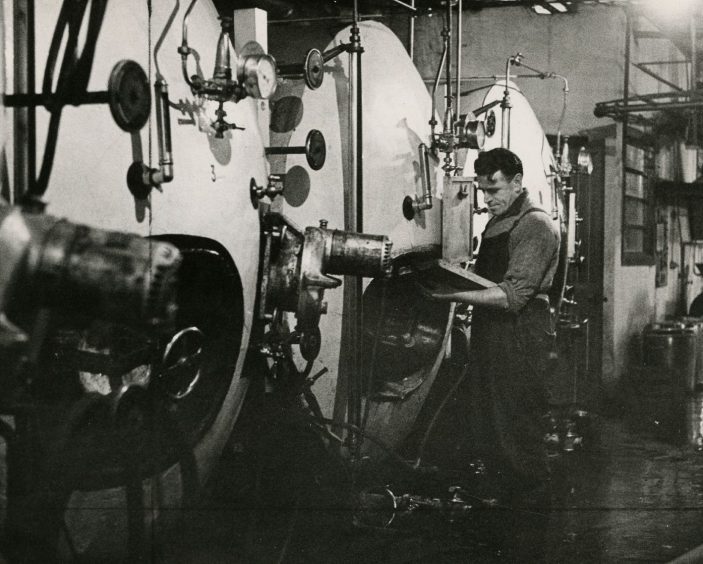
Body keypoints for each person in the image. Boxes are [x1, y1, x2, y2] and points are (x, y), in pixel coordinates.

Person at [421, 147, 560, 502]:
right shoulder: (500, 222)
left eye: (494, 189)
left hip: (521, 333)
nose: (487, 199)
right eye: (483, 190)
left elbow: (511, 296)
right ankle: (506, 506)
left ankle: (532, 511)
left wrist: (451, 294)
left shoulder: (536, 224)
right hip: (493, 330)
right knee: (491, 415)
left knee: (517, 419)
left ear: (517, 183)